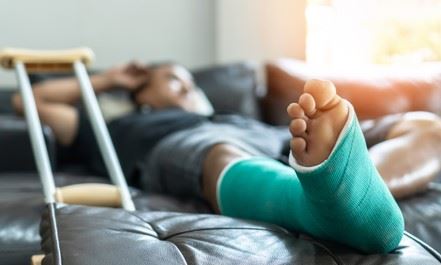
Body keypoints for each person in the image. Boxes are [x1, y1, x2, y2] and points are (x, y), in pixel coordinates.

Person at [11, 62, 441, 253]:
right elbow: (26, 100)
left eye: (190, 83)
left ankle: (349, 186)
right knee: (218, 153)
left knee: (426, 125)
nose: (189, 88)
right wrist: (109, 81)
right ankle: (333, 193)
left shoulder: (236, 114)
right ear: (142, 98)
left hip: (276, 141)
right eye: (173, 83)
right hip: (188, 145)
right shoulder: (115, 124)